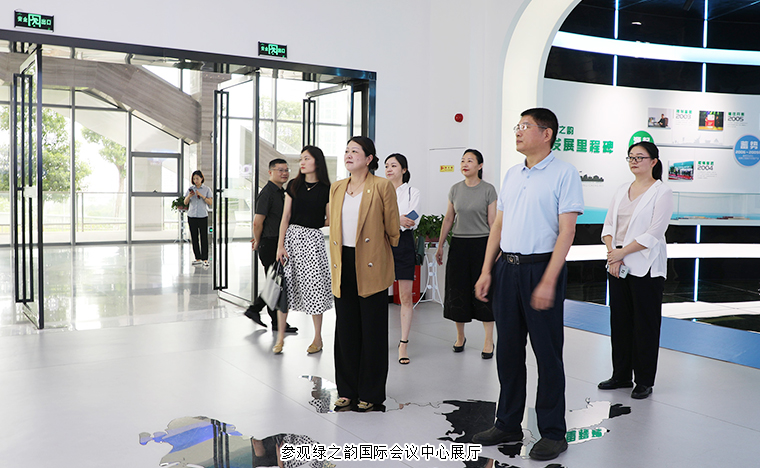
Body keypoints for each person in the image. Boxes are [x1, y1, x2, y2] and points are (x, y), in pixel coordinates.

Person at [472, 108, 584, 461]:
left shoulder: (564, 173)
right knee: (508, 351)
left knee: (547, 354)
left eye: (525, 126)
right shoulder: (512, 173)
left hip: (541, 268)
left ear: (546, 133)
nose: (518, 132)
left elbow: (567, 231)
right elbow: (498, 226)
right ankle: (507, 422)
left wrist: (549, 279)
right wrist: (487, 270)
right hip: (507, 269)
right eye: (517, 126)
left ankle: (553, 432)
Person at [598, 141, 673, 400]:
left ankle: (644, 380)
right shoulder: (622, 189)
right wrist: (613, 254)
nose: (634, 161)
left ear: (653, 162)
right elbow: (608, 226)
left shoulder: (662, 192)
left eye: (640, 157)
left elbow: (654, 233)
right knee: (620, 322)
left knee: (645, 325)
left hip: (646, 267)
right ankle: (621, 375)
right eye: (631, 157)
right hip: (618, 265)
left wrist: (621, 253)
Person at [330, 136, 399, 412]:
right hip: (343, 262)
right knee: (345, 330)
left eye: (355, 151)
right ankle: (347, 390)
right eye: (346, 150)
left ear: (369, 158)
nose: (348, 155)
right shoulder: (337, 187)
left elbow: (392, 227)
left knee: (372, 331)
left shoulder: (382, 186)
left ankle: (370, 392)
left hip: (371, 262)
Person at [435, 149, 497, 358]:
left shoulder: (488, 190)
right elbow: (448, 219)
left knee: (485, 291)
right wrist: (440, 244)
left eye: (470, 160)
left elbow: (493, 222)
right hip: (459, 245)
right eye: (462, 160)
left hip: (482, 244)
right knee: (457, 290)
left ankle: (488, 340)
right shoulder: (455, 189)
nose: (465, 164)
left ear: (480, 165)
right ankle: (460, 337)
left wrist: (496, 249)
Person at [274, 146, 332, 355]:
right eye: (301, 159)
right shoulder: (294, 185)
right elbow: (285, 217)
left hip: (313, 242)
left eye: (306, 158)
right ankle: (280, 337)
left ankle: (318, 337)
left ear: (317, 161)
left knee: (314, 286)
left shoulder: (327, 188)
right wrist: (280, 245)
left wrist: (312, 223)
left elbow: (329, 219)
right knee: (286, 288)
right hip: (291, 240)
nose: (302, 163)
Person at [243, 158, 297, 334]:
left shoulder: (282, 192)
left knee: (276, 282)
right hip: (270, 243)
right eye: (280, 170)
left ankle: (269, 317)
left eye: (286, 170)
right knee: (276, 282)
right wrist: (257, 240)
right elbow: (257, 222)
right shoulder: (267, 193)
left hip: (277, 242)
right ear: (270, 172)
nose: (284, 173)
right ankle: (257, 311)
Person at [385, 153, 420, 365]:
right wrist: (397, 219)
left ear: (403, 170)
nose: (389, 169)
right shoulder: (380, 190)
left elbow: (413, 218)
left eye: (393, 165)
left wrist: (392, 220)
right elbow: (375, 218)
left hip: (404, 244)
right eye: (387, 166)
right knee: (379, 294)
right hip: (382, 243)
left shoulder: (412, 192)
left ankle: (403, 343)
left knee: (405, 296)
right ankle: (379, 339)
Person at [184, 170, 213, 267]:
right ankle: (198, 258)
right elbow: (185, 202)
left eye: (197, 178)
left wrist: (201, 196)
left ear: (201, 178)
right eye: (194, 179)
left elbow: (210, 202)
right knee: (194, 237)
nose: (195, 180)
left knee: (204, 237)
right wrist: (189, 196)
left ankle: (205, 259)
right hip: (192, 216)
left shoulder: (206, 189)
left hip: (202, 216)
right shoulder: (190, 189)